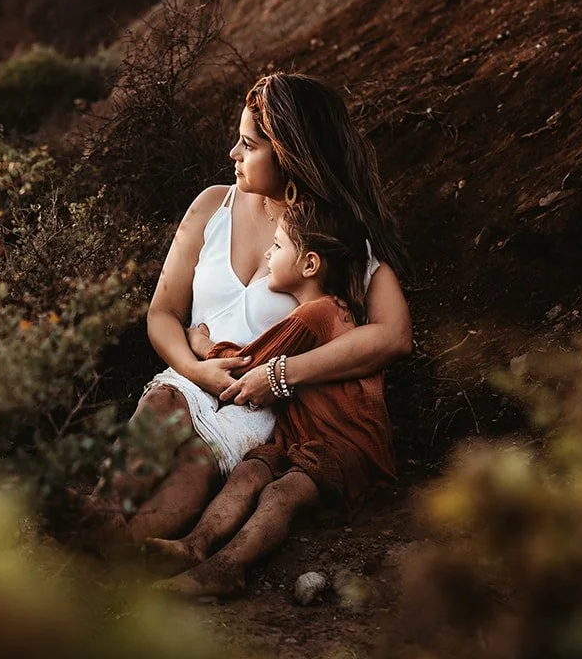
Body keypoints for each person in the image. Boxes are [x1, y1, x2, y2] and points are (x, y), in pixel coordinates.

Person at [101, 72, 411, 545]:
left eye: (248, 145)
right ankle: (100, 514)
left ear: (289, 154)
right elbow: (162, 313)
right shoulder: (211, 206)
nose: (233, 154)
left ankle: (122, 552)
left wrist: (281, 374)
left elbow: (394, 336)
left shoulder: (328, 237)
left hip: (262, 406)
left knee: (199, 461)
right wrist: (194, 368)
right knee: (161, 402)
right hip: (192, 375)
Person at [147, 211, 396, 598]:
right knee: (248, 472)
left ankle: (228, 567)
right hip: (301, 437)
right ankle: (194, 545)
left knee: (282, 493)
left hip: (345, 445)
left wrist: (202, 346)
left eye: (277, 246)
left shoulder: (315, 315)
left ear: (309, 265)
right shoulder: (318, 311)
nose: (267, 254)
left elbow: (250, 362)